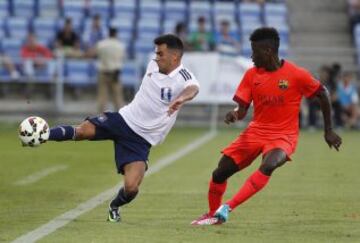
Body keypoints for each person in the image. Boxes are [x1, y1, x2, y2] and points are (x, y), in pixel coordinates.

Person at [31, 34, 200, 222]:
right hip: (123, 119)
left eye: (161, 54)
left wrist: (182, 98)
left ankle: (114, 206)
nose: (156, 57)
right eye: (156, 53)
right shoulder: (153, 65)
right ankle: (41, 134)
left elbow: (193, 88)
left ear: (175, 57)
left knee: (131, 188)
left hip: (141, 140)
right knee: (82, 131)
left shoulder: (184, 76)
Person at [191, 27, 342, 226]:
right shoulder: (251, 75)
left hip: (283, 136)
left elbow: (322, 93)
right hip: (256, 132)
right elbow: (243, 109)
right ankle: (213, 214)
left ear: (268, 51)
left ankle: (227, 207)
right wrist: (235, 114)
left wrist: (328, 130)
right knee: (220, 173)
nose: (252, 57)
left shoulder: (296, 75)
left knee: (269, 164)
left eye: (254, 51)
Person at [96, 27, 126, 112]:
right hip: (115, 73)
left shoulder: (101, 44)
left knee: (102, 96)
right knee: (118, 97)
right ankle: (121, 117)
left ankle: (101, 118)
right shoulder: (120, 45)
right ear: (115, 34)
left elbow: (99, 56)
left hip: (104, 72)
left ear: (108, 33)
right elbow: (121, 58)